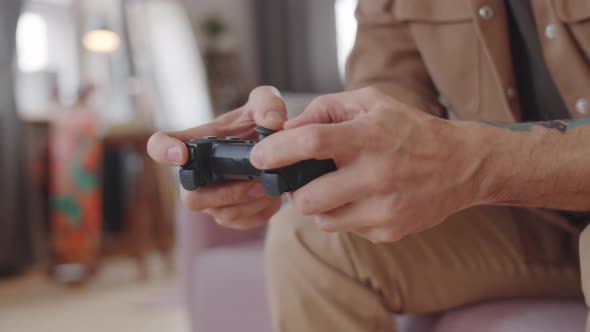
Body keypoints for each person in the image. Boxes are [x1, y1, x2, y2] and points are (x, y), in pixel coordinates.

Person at [148, 1, 590, 331]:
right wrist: (302, 149)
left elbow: (460, 156)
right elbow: (386, 107)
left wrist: (475, 158)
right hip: (527, 218)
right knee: (307, 239)